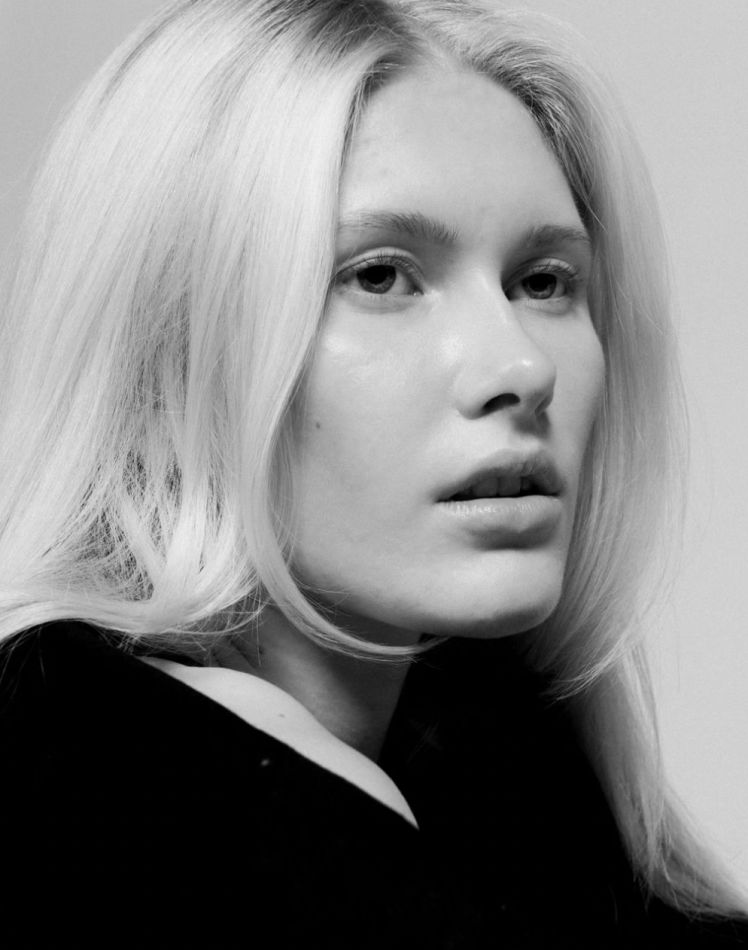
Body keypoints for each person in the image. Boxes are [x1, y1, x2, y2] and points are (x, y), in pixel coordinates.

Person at [1, 0, 746, 946]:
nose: (522, 366)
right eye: (382, 276)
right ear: (165, 357)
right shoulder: (98, 802)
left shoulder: (523, 795)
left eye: (543, 281)